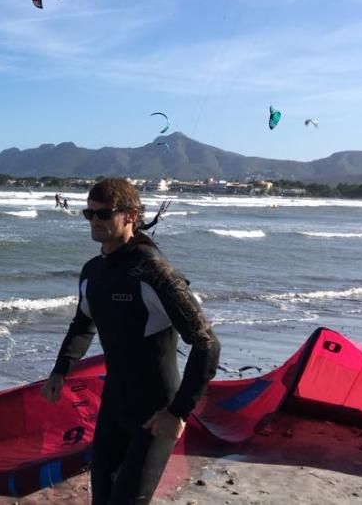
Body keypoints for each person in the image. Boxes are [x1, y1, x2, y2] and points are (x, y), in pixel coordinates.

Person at [41, 178, 220, 504]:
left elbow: (207, 344)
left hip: (156, 410)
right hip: (115, 403)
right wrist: (60, 371)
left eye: (104, 214)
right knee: (103, 498)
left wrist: (178, 412)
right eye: (89, 214)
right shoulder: (93, 271)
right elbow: (83, 324)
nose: (95, 221)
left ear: (130, 216)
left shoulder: (153, 272)